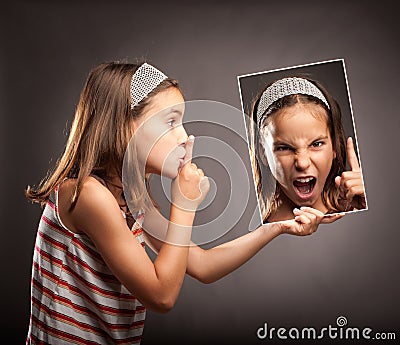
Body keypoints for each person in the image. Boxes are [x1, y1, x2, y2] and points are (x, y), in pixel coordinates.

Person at [25, 62, 342, 344]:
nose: (186, 137)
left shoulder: (135, 200)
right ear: (125, 128)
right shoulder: (86, 194)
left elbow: (202, 266)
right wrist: (184, 203)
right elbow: (161, 295)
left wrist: (276, 227)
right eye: (170, 122)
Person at [248, 76, 366, 223]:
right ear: (263, 152)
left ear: (335, 146)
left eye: (316, 144)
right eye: (284, 148)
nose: (303, 163)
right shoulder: (253, 233)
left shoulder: (360, 206)